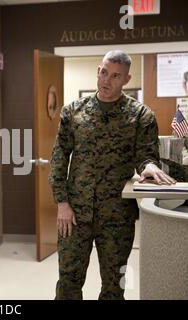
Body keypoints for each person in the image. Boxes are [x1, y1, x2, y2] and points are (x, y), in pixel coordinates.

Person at [50, 50, 176, 300]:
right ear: (98, 71)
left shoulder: (141, 116)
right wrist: (62, 203)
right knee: (68, 284)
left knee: (114, 287)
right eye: (104, 73)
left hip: (117, 215)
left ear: (126, 79)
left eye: (115, 76)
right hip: (75, 214)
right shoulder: (73, 112)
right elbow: (59, 157)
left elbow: (146, 157)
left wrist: (149, 166)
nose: (107, 80)